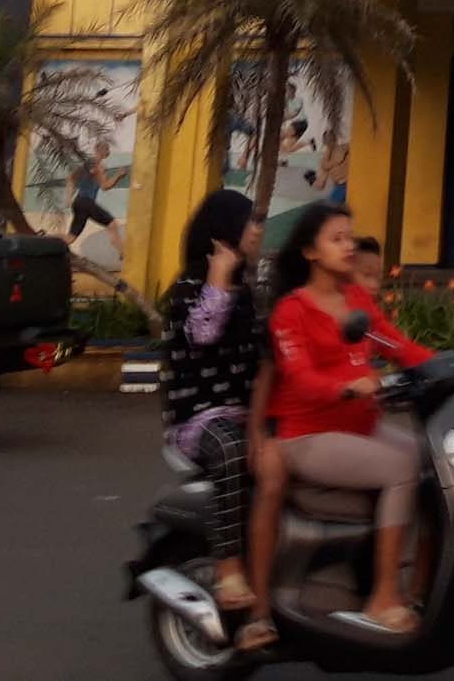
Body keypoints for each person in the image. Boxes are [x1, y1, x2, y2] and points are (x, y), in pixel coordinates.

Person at [268, 203, 435, 635]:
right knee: (402, 466)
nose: (348, 246)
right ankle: (383, 596)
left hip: (359, 428)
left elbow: (396, 345)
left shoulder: (357, 299)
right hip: (309, 435)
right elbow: (299, 377)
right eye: (336, 239)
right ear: (310, 251)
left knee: (434, 459)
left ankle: (420, 584)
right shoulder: (292, 310)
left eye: (350, 237)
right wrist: (345, 387)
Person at [157, 188, 283, 652]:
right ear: (225, 231)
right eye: (249, 222)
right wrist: (217, 278)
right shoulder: (190, 288)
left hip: (247, 412)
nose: (257, 230)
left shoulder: (249, 291)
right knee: (231, 449)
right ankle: (228, 567)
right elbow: (203, 335)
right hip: (198, 418)